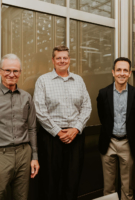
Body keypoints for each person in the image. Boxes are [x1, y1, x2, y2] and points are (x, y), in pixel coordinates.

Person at [0, 54, 39, 200]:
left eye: (15, 71)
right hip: (0, 156)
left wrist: (34, 157)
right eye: (7, 70)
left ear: (20, 72)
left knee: (22, 197)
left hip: (24, 154)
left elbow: (32, 129)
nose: (12, 74)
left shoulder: (26, 97)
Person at [33, 45, 92, 200]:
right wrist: (58, 131)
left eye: (65, 58)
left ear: (69, 60)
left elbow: (87, 106)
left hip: (75, 137)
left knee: (72, 182)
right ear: (53, 60)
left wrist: (76, 129)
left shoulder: (78, 80)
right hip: (51, 138)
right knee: (50, 182)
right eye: (58, 58)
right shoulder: (43, 81)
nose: (62, 61)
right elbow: (40, 110)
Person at [97, 57, 135, 200]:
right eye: (118, 70)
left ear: (129, 73)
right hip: (108, 142)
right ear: (113, 72)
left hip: (127, 143)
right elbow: (102, 117)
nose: (121, 73)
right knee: (108, 187)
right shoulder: (103, 93)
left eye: (125, 70)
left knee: (127, 187)